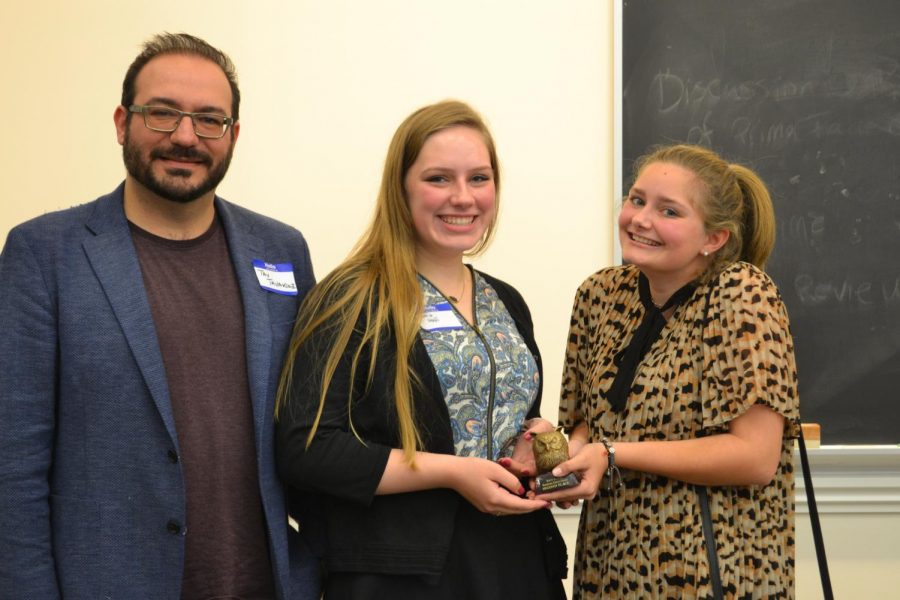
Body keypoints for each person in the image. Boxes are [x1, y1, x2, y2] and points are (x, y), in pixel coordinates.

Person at [0, 33, 320, 599]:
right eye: (163, 114)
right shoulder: (44, 253)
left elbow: (314, 426)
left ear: (234, 136)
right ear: (123, 123)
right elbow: (13, 465)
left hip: (266, 585)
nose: (185, 136)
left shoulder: (281, 250)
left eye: (208, 120)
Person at [275, 100, 567, 599]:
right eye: (438, 179)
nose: (463, 197)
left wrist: (537, 447)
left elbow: (504, 426)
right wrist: (454, 472)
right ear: (401, 188)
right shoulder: (351, 299)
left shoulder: (506, 300)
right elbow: (307, 448)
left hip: (516, 563)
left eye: (479, 178)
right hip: (403, 576)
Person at [547, 144, 800, 598]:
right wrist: (564, 464)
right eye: (637, 199)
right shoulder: (600, 294)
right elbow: (588, 422)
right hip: (607, 570)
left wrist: (612, 454)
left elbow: (756, 457)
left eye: (669, 211)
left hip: (711, 569)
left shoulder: (740, 293)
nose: (640, 219)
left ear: (713, 239)